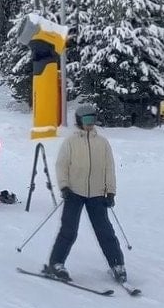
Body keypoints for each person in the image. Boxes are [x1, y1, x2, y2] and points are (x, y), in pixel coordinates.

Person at [44, 104, 126, 283]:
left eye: (93, 120)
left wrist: (110, 191)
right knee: (69, 230)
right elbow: (62, 165)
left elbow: (109, 168)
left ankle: (117, 265)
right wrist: (64, 187)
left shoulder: (102, 142)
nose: (90, 124)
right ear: (79, 121)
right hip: (74, 193)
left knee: (105, 232)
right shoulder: (70, 142)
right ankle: (56, 264)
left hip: (97, 194)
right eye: (87, 120)